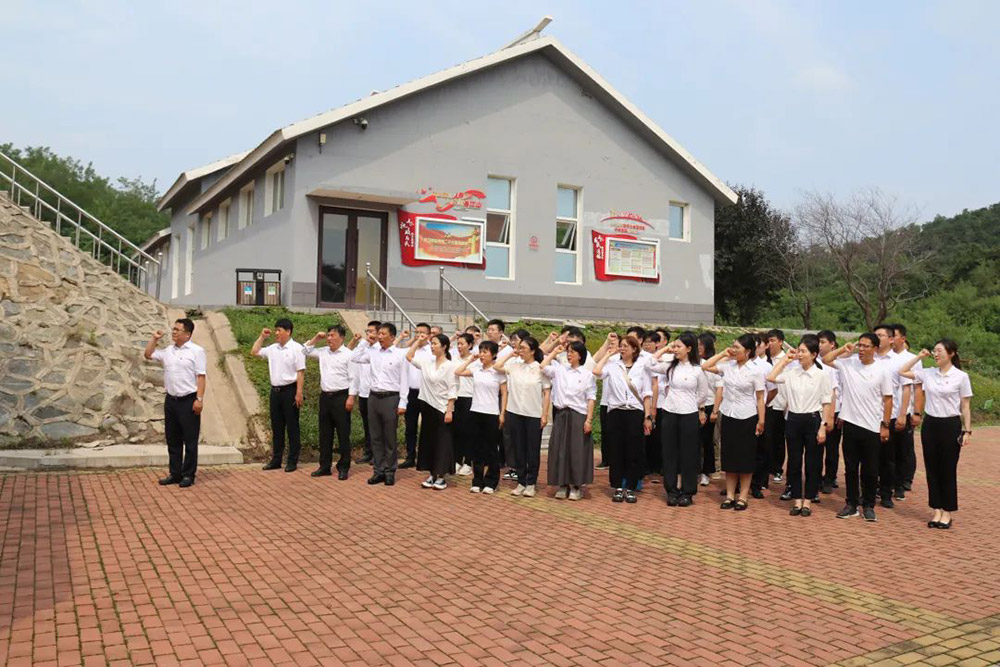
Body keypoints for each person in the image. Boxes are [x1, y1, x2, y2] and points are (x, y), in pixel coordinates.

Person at [899, 341, 973, 529]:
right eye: (934, 351)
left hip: (950, 425)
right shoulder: (928, 373)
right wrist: (918, 357)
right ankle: (936, 510)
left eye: (940, 351)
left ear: (951, 353)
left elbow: (965, 406)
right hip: (931, 424)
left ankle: (947, 511)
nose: (936, 354)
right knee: (931, 469)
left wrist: (967, 430)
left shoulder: (961, 376)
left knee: (947, 469)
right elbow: (902, 371)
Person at [823, 334, 893, 522]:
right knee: (851, 468)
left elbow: (888, 399)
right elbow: (826, 359)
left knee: (870, 469)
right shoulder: (849, 363)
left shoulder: (882, 370)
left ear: (875, 349)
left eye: (865, 346)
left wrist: (885, 425)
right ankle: (851, 504)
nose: (861, 349)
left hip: (872, 426)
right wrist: (843, 349)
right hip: (850, 423)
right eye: (859, 345)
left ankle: (868, 505)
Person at [767, 335, 833, 517]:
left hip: (813, 420)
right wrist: (785, 361)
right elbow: (771, 377)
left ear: (814, 354)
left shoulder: (821, 375)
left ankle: (808, 500)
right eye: (799, 351)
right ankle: (797, 499)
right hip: (793, 420)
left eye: (804, 351)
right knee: (794, 462)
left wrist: (823, 426)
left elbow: (826, 402)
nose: (800, 354)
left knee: (813, 463)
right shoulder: (791, 373)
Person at [703, 334, 766, 511]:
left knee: (745, 458)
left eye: (737, 347)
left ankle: (743, 497)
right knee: (729, 458)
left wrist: (761, 420)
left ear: (748, 351)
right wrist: (723, 353)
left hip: (748, 416)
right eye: (733, 346)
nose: (734, 349)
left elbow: (760, 398)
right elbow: (705, 366)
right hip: (729, 414)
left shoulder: (756, 370)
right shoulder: (727, 366)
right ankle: (730, 495)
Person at [144, 318, 207, 488]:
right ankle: (175, 473)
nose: (173, 332)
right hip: (171, 400)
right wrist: (154, 339)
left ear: (187, 334)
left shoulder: (197, 351)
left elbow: (201, 377)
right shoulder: (168, 351)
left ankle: (188, 475)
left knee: (190, 441)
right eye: (173, 329)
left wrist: (199, 399)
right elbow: (148, 354)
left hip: (189, 400)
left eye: (177, 330)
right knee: (173, 439)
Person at [593, 334, 653, 504]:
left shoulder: (642, 367)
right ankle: (618, 486)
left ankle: (631, 487)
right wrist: (607, 354)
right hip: (616, 412)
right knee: (616, 450)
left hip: (635, 412)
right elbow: (596, 372)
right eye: (621, 345)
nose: (622, 348)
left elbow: (647, 393)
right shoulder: (613, 366)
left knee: (634, 450)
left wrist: (647, 416)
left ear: (634, 349)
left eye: (626, 346)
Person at [648, 333, 707, 507]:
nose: (675, 350)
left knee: (688, 453)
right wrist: (665, 349)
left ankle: (688, 491)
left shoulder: (697, 370)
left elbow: (702, 394)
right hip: (670, 411)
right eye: (674, 346)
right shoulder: (670, 366)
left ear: (689, 348)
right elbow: (649, 364)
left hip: (689, 413)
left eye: (679, 347)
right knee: (669, 452)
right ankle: (672, 490)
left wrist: (690, 403)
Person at [350, 322, 409, 485]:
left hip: (391, 398)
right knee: (375, 436)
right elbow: (354, 357)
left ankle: (390, 471)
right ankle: (378, 470)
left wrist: (403, 402)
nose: (380, 337)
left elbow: (404, 379)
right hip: (373, 397)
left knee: (389, 437)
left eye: (383, 334)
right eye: (379, 334)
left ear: (392, 337)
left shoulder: (399, 354)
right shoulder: (372, 352)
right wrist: (365, 341)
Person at [495, 335, 551, 497]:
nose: (520, 351)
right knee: (518, 449)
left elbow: (547, 393)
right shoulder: (514, 366)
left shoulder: (540, 368)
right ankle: (521, 481)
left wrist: (544, 414)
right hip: (514, 412)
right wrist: (510, 354)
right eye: (519, 348)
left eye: (523, 348)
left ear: (533, 351)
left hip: (533, 414)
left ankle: (531, 483)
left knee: (532, 450)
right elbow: (497, 366)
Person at [541, 341, 597, 501]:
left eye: (572, 352)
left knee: (577, 451)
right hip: (561, 414)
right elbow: (543, 366)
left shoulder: (586, 374)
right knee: (559, 449)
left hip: (578, 414)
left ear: (580, 355)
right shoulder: (560, 370)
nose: (569, 354)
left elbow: (591, 398)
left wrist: (588, 420)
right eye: (568, 351)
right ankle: (562, 484)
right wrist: (554, 351)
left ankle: (576, 486)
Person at [303, 324, 359, 480]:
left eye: (332, 335)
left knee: (343, 433)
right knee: (325, 433)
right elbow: (305, 350)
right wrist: (316, 338)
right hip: (325, 397)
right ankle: (324, 466)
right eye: (328, 335)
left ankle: (344, 466)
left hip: (342, 397)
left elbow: (354, 378)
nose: (329, 338)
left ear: (342, 338)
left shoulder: (349, 355)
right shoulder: (323, 352)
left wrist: (351, 397)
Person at [252, 318, 306, 472]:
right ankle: (276, 459)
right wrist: (262, 337)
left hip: (290, 391)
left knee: (292, 426)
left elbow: (300, 372)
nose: (276, 333)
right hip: (275, 392)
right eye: (275, 330)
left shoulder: (297, 348)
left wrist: (299, 392)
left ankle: (292, 460)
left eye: (279, 330)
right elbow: (254, 352)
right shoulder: (272, 348)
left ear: (288, 331)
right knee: (277, 427)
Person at [407, 332, 458, 490]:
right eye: (432, 344)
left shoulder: (450, 366)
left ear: (444, 347)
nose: (432, 346)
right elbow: (409, 356)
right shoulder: (427, 363)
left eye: (435, 344)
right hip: (427, 405)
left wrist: (449, 410)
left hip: (442, 407)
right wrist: (418, 341)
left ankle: (441, 476)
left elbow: (452, 389)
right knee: (428, 440)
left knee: (442, 442)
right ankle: (431, 473)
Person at [455, 341, 508, 494]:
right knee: (476, 448)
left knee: (491, 449)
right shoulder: (476, 369)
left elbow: (504, 393)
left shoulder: (498, 372)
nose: (482, 355)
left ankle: (491, 481)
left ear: (494, 354)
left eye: (485, 352)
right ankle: (477, 480)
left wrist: (502, 413)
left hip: (491, 413)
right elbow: (458, 371)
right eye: (481, 351)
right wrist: (471, 359)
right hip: (475, 411)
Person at [871, 323, 914, 509]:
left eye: (881, 335)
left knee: (888, 458)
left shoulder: (898, 362)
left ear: (890, 339)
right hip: (870, 416)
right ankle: (870, 490)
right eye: (875, 335)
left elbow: (906, 389)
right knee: (870, 457)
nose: (877, 338)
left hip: (891, 415)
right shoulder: (868, 358)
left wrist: (903, 414)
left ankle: (887, 492)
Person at [398, 323, 433, 469]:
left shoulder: (432, 351)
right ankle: (410, 456)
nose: (419, 335)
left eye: (422, 333)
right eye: (417, 332)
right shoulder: (410, 350)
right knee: (410, 427)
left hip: (427, 392)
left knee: (427, 426)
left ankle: (426, 458)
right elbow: (404, 372)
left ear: (429, 335)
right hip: (411, 392)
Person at [892, 324, 918, 494]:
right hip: (887, 412)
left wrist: (917, 412)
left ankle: (904, 480)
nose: (891, 339)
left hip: (905, 410)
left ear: (903, 338)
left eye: (894, 335)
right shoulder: (883, 358)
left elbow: (918, 388)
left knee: (904, 449)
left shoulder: (912, 359)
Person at [350, 321, 380, 465]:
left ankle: (378, 454)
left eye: (372, 331)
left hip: (376, 393)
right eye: (367, 331)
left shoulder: (381, 350)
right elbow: (353, 357)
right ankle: (368, 452)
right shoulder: (364, 348)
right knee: (367, 425)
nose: (369, 334)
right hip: (364, 393)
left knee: (377, 426)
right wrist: (363, 343)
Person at [817, 331, 842, 494]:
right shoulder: (814, 361)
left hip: (834, 410)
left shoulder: (838, 364)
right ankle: (816, 477)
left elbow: (837, 391)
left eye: (823, 342)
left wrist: (832, 416)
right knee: (817, 448)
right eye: (818, 342)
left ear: (832, 344)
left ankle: (830, 478)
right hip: (816, 410)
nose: (820, 345)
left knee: (832, 449)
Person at [697, 333, 723, 486]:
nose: (698, 348)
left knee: (708, 441)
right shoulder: (693, 363)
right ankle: (695, 470)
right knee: (694, 441)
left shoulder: (713, 365)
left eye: (701, 345)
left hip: (709, 405)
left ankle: (707, 471)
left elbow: (719, 389)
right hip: (693, 406)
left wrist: (715, 411)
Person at [451, 333, 476, 476]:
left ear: (470, 345)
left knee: (469, 432)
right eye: (458, 344)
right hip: (455, 397)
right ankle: (457, 460)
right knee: (457, 430)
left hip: (469, 397)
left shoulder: (475, 360)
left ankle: (468, 462)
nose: (459, 346)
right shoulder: (454, 359)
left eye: (462, 344)